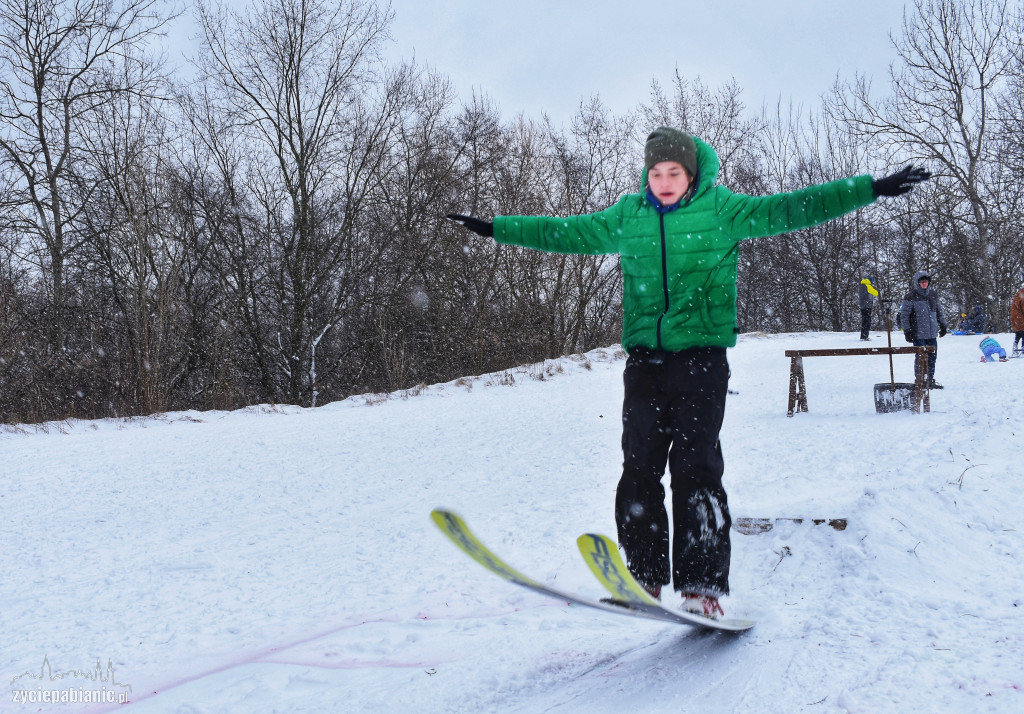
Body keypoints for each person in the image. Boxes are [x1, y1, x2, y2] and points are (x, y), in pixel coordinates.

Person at [446, 127, 930, 618]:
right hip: (644, 364)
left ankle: (702, 586)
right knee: (639, 468)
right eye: (655, 173)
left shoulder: (723, 211)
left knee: (696, 468)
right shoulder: (627, 217)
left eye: (673, 172)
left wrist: (870, 187)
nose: (664, 181)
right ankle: (645, 577)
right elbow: (565, 232)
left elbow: (794, 207)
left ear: (691, 172)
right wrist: (496, 227)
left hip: (701, 361)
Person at [900, 271, 947, 389]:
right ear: (917, 283)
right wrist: (907, 330)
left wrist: (943, 325)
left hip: (932, 333)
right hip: (918, 333)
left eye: (926, 282)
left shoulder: (933, 295)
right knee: (921, 358)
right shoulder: (910, 296)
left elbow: (939, 311)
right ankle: (920, 381)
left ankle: (929, 380)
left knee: (932, 358)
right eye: (922, 282)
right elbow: (904, 315)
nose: (924, 284)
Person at [1010, 285, 1024, 355]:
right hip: (1021, 319)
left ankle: (1015, 348)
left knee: (1018, 334)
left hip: (1015, 319)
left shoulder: (1017, 295)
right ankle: (1023, 349)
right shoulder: (1023, 296)